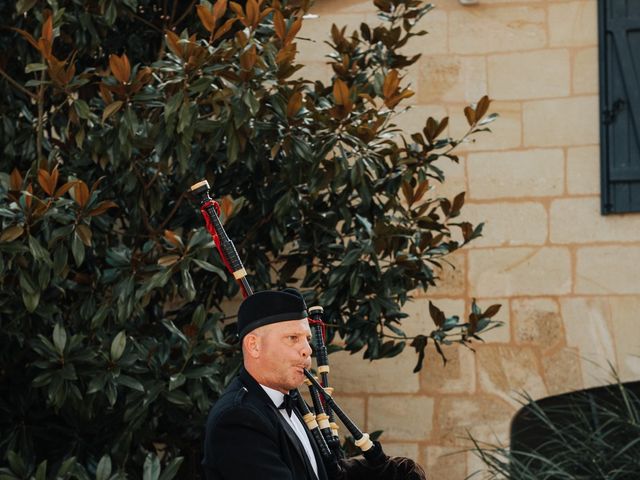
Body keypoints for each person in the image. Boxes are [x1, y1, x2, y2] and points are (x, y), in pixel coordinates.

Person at [202, 288, 428, 480]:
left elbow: (321, 473)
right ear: (254, 346)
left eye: (307, 339)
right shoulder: (238, 420)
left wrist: (384, 473)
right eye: (293, 338)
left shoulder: (294, 404)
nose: (307, 350)